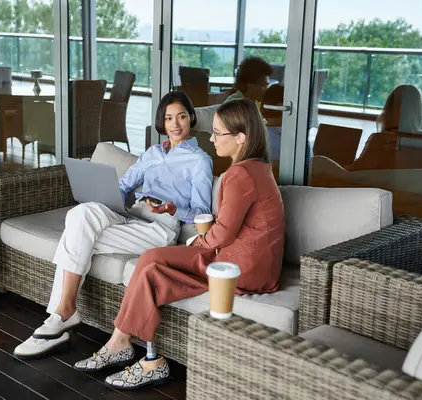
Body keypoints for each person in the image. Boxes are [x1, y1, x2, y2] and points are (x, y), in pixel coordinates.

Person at [74, 99, 286, 390]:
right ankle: (147, 358)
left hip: (238, 267)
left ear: (241, 137)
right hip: (254, 266)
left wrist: (197, 241)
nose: (211, 139)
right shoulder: (259, 168)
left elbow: (222, 234)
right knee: (151, 271)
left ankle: (120, 344)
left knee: (150, 259)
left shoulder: (240, 174)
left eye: (218, 133)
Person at [13, 91, 214, 359]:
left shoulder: (200, 161)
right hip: (131, 215)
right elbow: (123, 185)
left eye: (181, 116)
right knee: (82, 215)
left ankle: (59, 317)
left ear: (190, 118)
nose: (175, 124)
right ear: (161, 122)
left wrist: (173, 207)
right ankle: (64, 312)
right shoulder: (152, 153)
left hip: (159, 229)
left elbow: (203, 213)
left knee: (77, 235)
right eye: (168, 118)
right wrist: (105, 194)